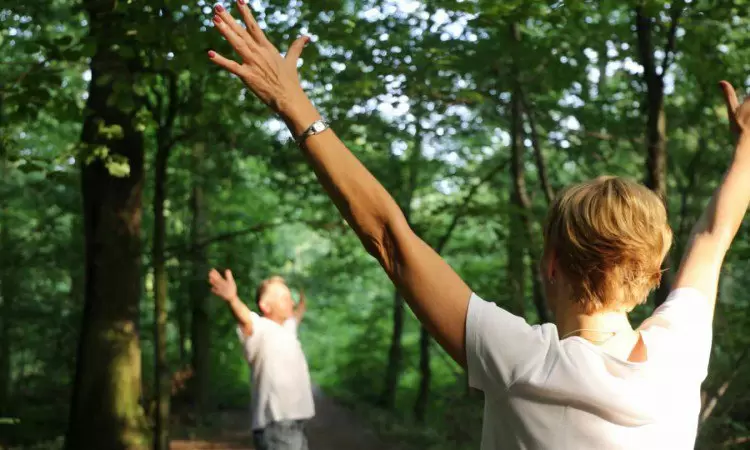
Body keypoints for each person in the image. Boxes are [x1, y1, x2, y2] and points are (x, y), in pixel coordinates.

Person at [205, 3, 750, 448]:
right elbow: (713, 234)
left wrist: (295, 105)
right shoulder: (681, 353)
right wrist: (747, 147)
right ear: (655, 273)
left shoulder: (520, 360)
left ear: (551, 263)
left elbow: (391, 240)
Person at [208, 269, 314, 450]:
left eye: (290, 297)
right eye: (284, 298)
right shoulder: (260, 329)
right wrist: (232, 299)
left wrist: (303, 300)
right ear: (265, 306)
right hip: (276, 425)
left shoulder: (287, 329)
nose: (291, 302)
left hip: (296, 424)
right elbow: (244, 317)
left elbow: (297, 314)